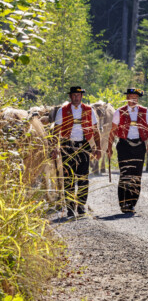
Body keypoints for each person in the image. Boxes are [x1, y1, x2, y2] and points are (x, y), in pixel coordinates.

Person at [51, 86, 102, 218]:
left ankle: (81, 205)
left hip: (84, 146)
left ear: (81, 96)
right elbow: (56, 131)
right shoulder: (62, 111)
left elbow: (95, 131)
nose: (76, 97)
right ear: (70, 96)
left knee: (83, 177)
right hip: (67, 147)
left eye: (78, 95)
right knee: (68, 178)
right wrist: (55, 147)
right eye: (74, 95)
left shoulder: (89, 110)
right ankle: (70, 206)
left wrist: (98, 148)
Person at [106, 88, 148, 214]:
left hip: (139, 146)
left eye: (136, 98)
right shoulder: (119, 112)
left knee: (136, 175)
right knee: (125, 174)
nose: (133, 100)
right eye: (131, 97)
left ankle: (132, 203)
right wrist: (109, 147)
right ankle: (124, 203)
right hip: (124, 145)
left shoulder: (144, 111)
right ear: (127, 98)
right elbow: (113, 131)